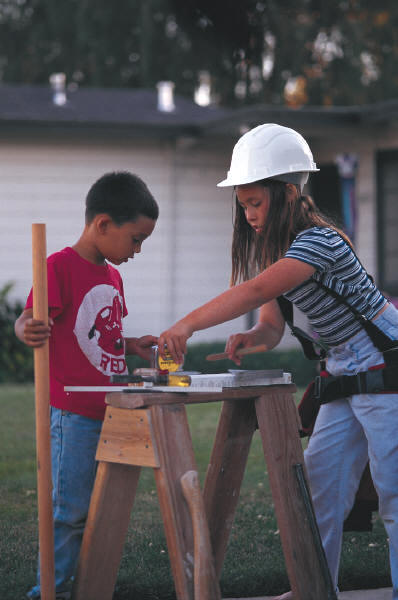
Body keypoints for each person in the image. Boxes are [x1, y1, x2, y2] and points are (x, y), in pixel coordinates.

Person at [158, 123, 398, 599]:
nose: (247, 214)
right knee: (318, 489)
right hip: (344, 374)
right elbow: (270, 320)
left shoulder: (319, 243)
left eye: (255, 202)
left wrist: (184, 325)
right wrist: (251, 337)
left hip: (384, 367)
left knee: (394, 490)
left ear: (288, 192)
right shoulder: (282, 252)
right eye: (242, 204)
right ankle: (314, 588)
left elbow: (256, 290)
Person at [15, 171, 159, 599]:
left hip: (113, 411)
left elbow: (108, 337)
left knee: (103, 511)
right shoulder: (58, 266)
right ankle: (52, 591)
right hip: (74, 416)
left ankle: (91, 587)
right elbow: (29, 318)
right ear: (102, 224)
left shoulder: (112, 277)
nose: (137, 250)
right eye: (135, 239)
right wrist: (26, 328)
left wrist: (133, 345)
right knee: (71, 511)